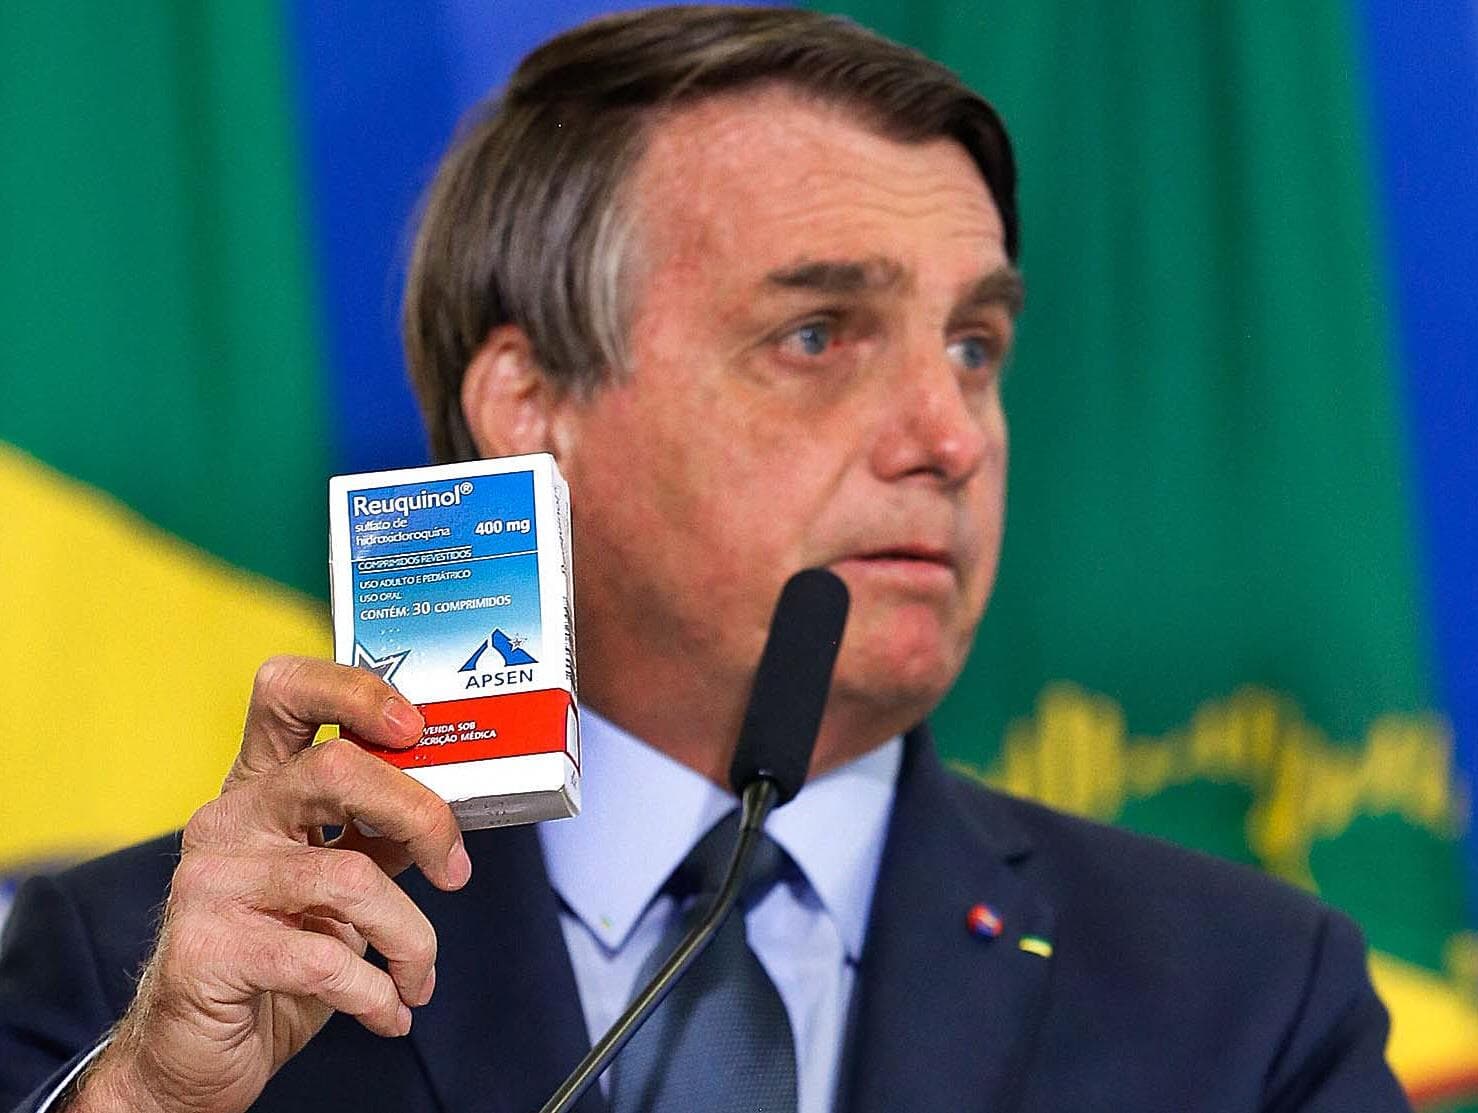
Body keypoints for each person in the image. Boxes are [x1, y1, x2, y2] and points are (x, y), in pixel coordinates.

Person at [0, 7, 1411, 1112]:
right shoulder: (149, 972)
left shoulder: (1246, 1000)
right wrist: (148, 1102)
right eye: (817, 336)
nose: (950, 436)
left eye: (974, 346)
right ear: (530, 407)